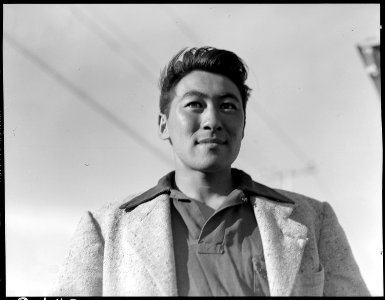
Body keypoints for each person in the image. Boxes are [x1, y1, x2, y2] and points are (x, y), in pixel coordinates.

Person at [50, 46, 370, 296]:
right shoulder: (106, 228)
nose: (212, 120)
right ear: (164, 124)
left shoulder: (313, 220)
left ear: (243, 125)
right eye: (194, 105)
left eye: (228, 106)